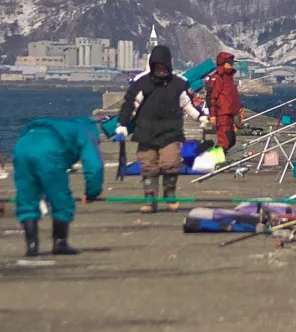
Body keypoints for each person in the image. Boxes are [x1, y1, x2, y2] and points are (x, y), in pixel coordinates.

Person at [116, 45, 210, 213]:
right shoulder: (142, 83)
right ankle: (150, 198)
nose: (160, 70)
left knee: (171, 163)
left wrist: (201, 117)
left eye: (163, 67)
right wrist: (122, 124)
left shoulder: (178, 84)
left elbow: (187, 105)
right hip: (145, 132)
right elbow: (130, 105)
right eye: (157, 67)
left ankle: (170, 192)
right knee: (148, 164)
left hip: (171, 132)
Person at [12, 115, 108, 257]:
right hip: (49, 150)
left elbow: (28, 129)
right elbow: (94, 166)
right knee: (60, 197)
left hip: (22, 146)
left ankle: (31, 247)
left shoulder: (62, 125)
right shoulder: (85, 131)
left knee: (26, 197)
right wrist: (92, 192)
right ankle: (60, 243)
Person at [205, 51, 244, 152]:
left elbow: (232, 97)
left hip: (230, 114)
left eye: (231, 64)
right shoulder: (217, 78)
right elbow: (212, 98)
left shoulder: (229, 78)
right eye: (228, 63)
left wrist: (237, 111)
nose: (230, 66)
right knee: (225, 141)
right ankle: (212, 161)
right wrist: (213, 115)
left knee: (231, 141)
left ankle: (220, 158)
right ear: (222, 64)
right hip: (222, 115)